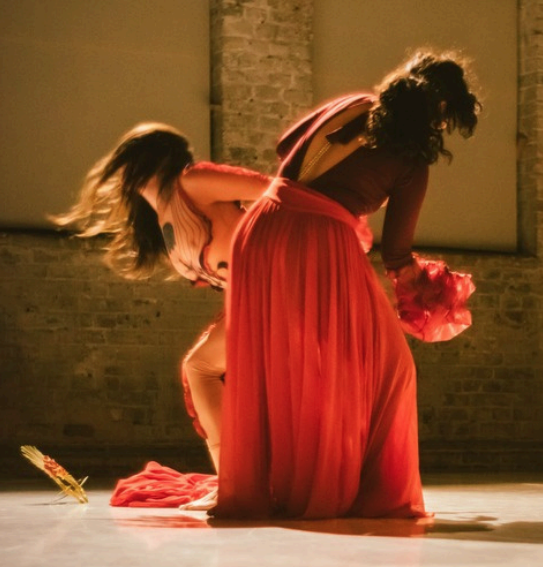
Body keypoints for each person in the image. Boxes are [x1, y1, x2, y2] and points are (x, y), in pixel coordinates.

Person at [215, 49, 481, 519]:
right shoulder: (411, 160)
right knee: (389, 368)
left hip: (260, 228)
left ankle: (279, 483)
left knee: (278, 362)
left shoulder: (353, 106)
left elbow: (286, 146)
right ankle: (339, 487)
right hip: (316, 240)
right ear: (440, 110)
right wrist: (433, 293)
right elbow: (396, 256)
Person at [51, 123, 272, 475]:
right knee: (204, 370)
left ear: (148, 160)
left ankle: (235, 479)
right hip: (254, 301)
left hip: (278, 289)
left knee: (201, 368)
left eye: (128, 161)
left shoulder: (192, 182)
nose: (122, 173)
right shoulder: (164, 214)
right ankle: (238, 478)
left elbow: (277, 190)